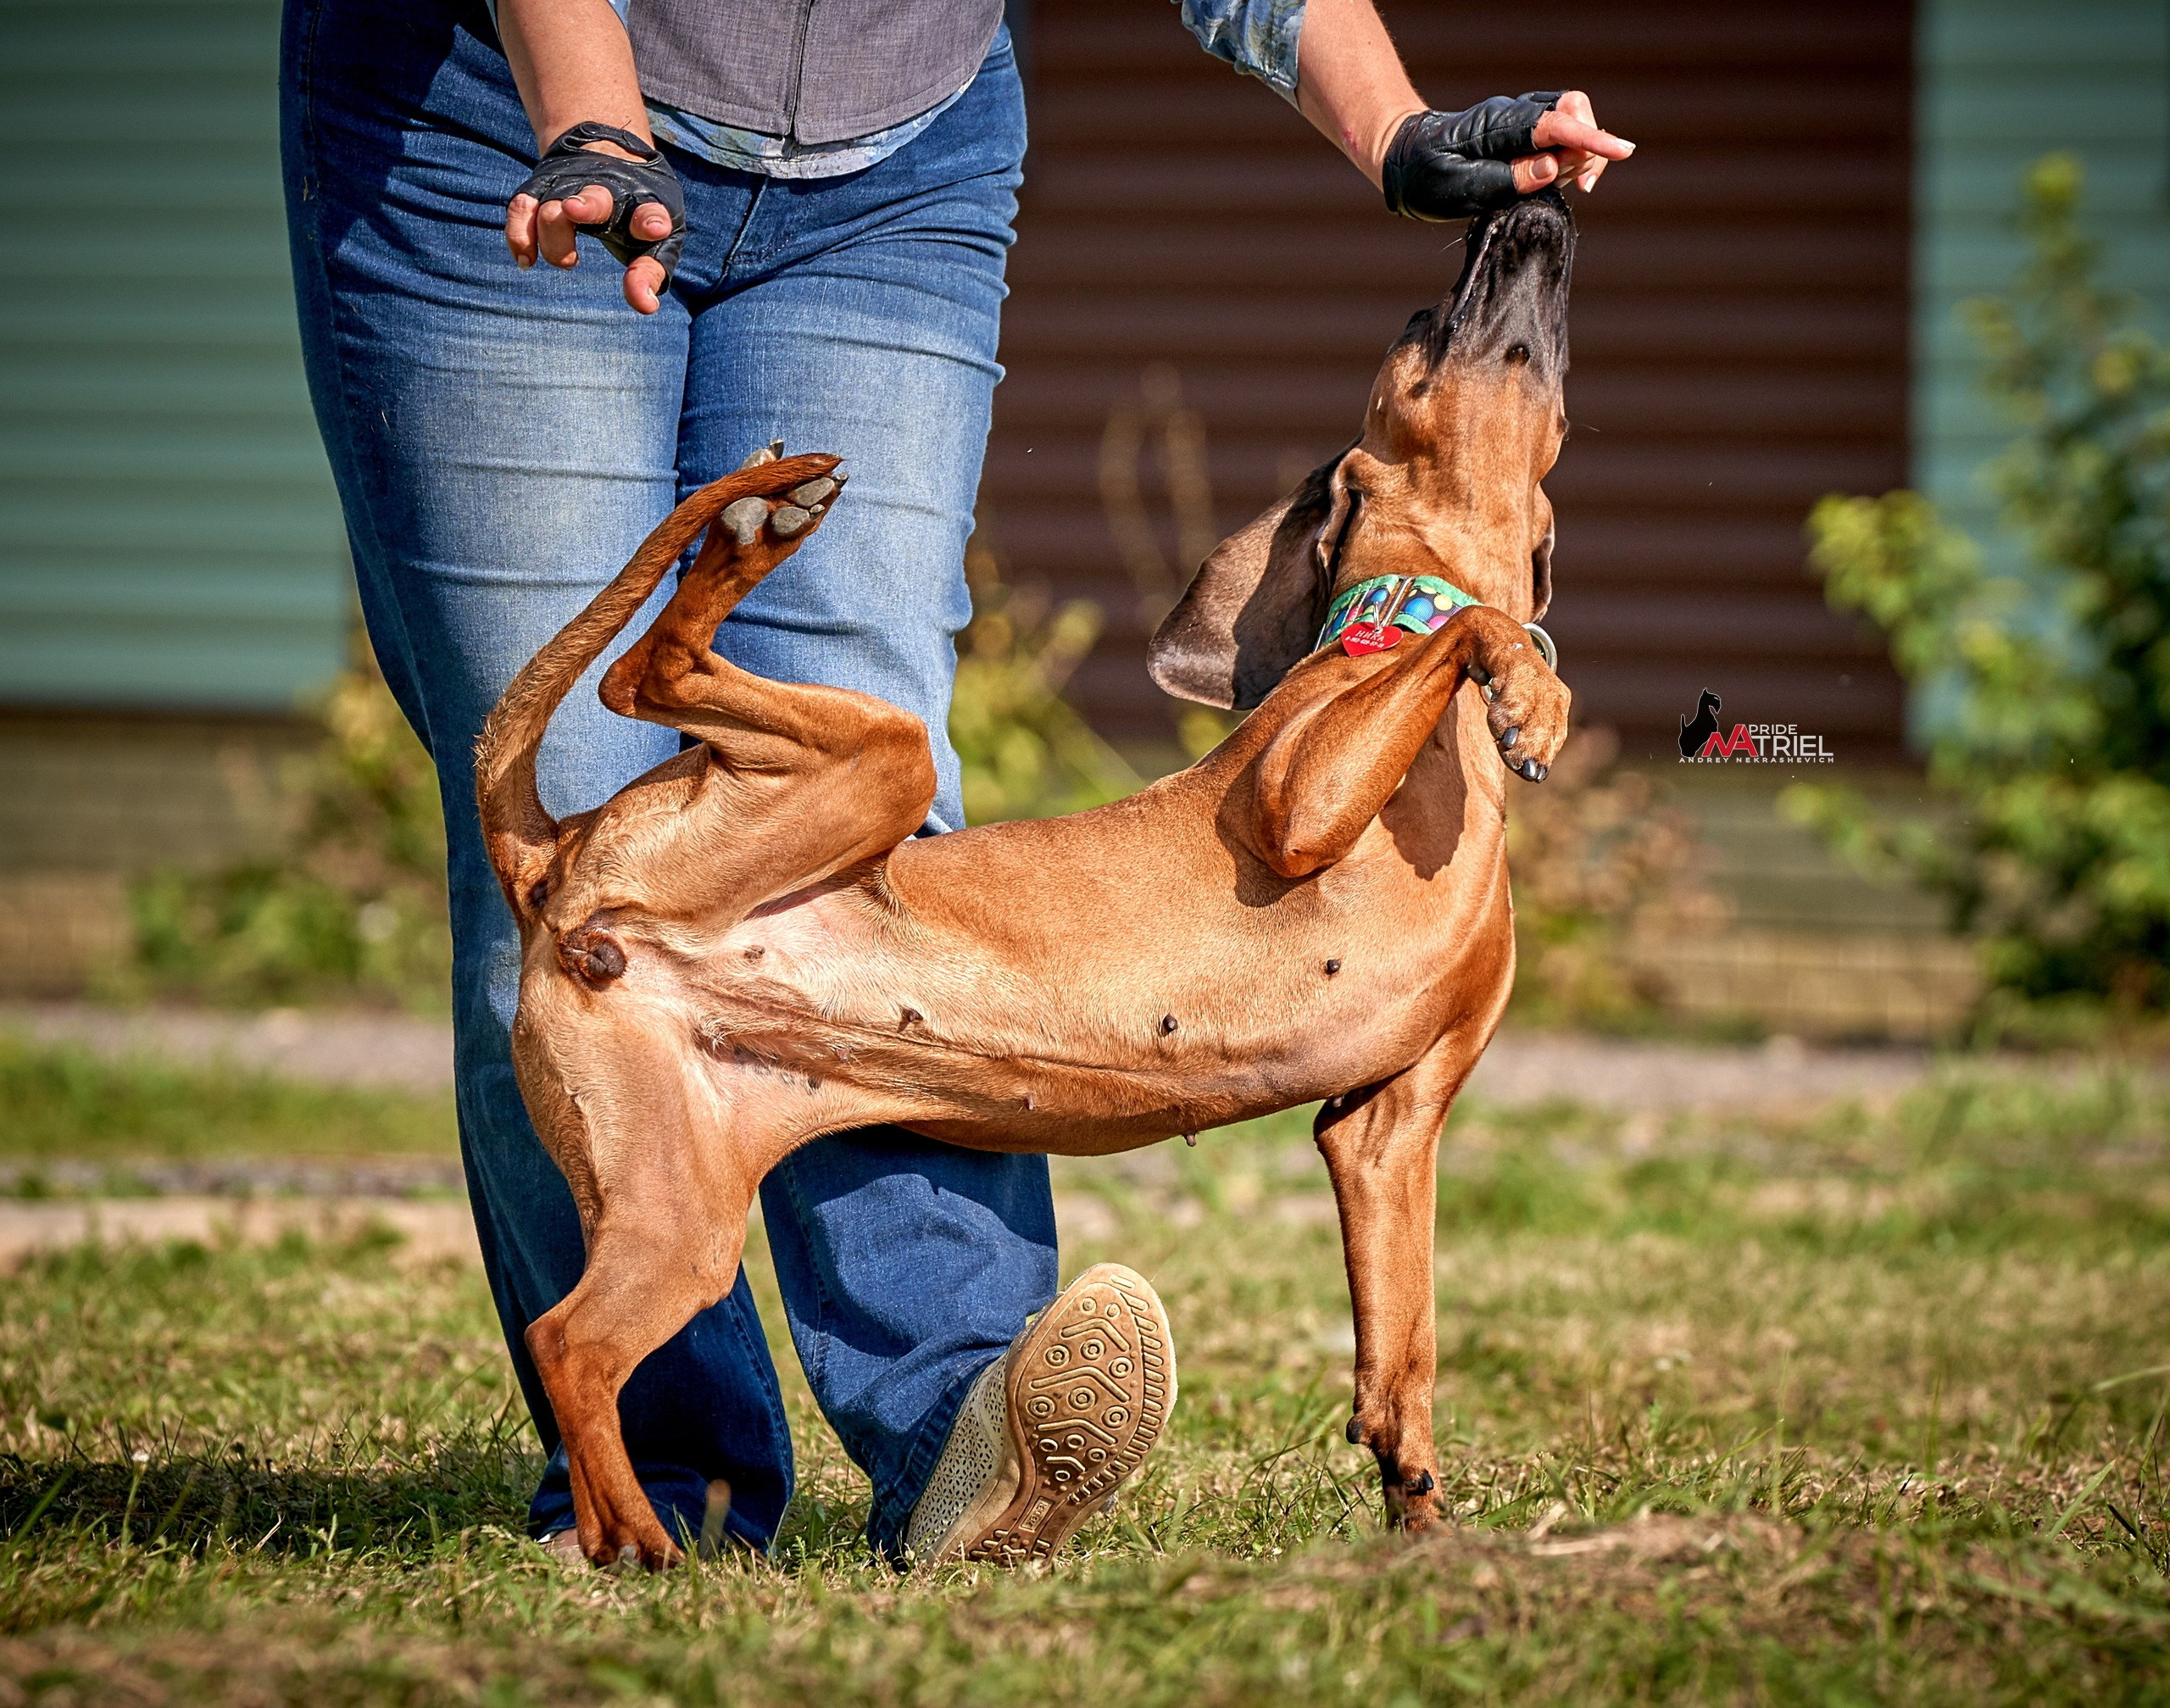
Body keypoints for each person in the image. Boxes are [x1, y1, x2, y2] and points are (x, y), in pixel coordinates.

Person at [278, 0, 1632, 1566]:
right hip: (497, 124)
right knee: (581, 813)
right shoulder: (1393, 629)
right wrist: (589, 114)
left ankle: (963, 1436)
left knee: (868, 727)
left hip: (892, 159)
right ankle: (661, 1487)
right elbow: (1301, 812)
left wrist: (1391, 121)